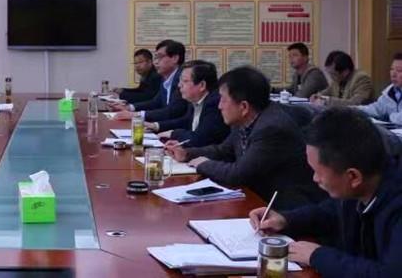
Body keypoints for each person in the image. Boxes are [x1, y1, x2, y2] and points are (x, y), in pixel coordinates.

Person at [249, 107, 402, 277]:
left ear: (353, 176)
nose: (315, 178)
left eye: (318, 172)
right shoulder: (362, 186)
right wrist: (286, 219)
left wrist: (317, 256)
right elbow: (330, 212)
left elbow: (389, 274)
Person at [167, 66, 325, 209]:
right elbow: (223, 151)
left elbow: (238, 174)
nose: (219, 106)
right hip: (257, 200)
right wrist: (187, 153)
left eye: (223, 99)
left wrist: (203, 164)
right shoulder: (245, 119)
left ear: (243, 107)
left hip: (285, 208)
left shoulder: (271, 128)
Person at [155, 60, 229, 148]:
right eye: (180, 81)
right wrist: (156, 125)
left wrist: (173, 133)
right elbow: (185, 121)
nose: (179, 85)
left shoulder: (214, 104)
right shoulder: (195, 100)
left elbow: (200, 139)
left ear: (202, 85)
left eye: (185, 81)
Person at [111, 40, 188, 123]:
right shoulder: (166, 78)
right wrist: (129, 107)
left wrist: (136, 115)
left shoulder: (183, 79)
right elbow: (155, 102)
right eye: (156, 58)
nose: (156, 62)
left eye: (160, 57)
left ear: (175, 58)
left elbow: (172, 111)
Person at [356, 52, 402, 124]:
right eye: (392, 69)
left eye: (399, 70)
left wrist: (391, 116)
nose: (393, 74)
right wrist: (354, 109)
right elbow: (377, 108)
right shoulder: (390, 92)